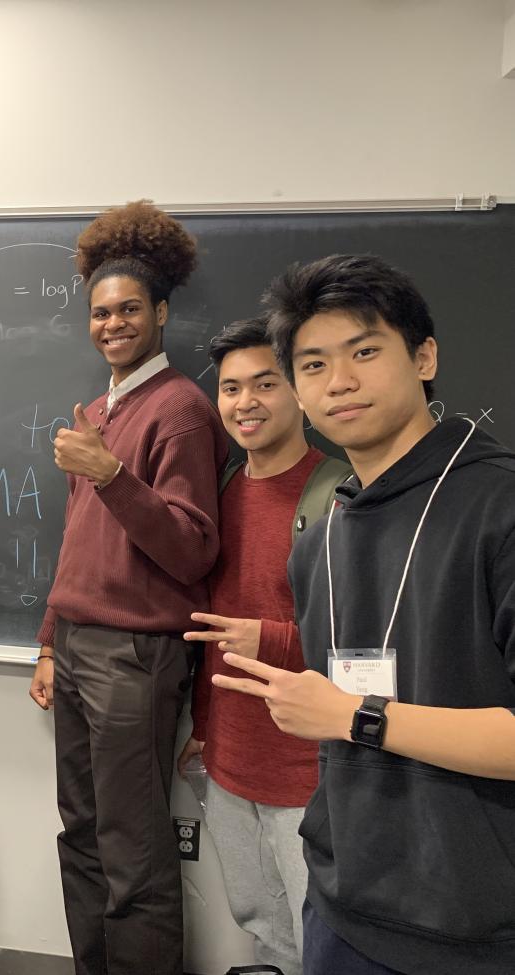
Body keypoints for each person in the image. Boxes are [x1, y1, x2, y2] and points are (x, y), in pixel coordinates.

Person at [212, 254, 515, 975]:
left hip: (480, 933)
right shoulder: (320, 543)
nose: (339, 381)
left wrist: (358, 716)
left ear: (425, 355)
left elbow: (350, 714)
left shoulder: (498, 508)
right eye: (313, 364)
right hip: (345, 914)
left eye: (365, 351)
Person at [28, 201, 228, 975]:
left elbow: (191, 549)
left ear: (162, 313)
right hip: (80, 645)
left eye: (129, 310)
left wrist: (112, 474)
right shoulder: (98, 408)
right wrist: (49, 639)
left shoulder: (178, 410)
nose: (112, 323)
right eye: (100, 312)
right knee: (81, 832)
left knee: (134, 850)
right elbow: (80, 542)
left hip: (135, 655)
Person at [177, 317, 350, 975]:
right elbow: (208, 623)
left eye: (264, 384)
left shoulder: (342, 494)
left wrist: (270, 638)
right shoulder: (218, 491)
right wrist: (203, 722)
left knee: (322, 934)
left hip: (310, 768)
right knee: (262, 922)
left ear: (301, 391)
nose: (244, 402)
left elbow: (375, 646)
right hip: (228, 759)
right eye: (230, 387)